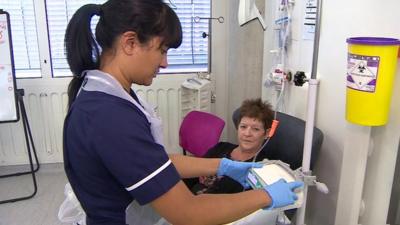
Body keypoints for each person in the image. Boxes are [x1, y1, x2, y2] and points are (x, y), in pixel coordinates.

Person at [62, 1, 303, 225]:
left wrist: (222, 166)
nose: (165, 63)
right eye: (162, 49)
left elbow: (157, 163)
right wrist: (265, 197)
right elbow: (188, 212)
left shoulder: (108, 97)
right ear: (130, 43)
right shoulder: (109, 116)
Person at [190, 98, 274, 194]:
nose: (247, 133)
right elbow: (196, 171)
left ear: (267, 133)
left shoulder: (259, 168)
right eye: (243, 127)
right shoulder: (221, 147)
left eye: (255, 129)